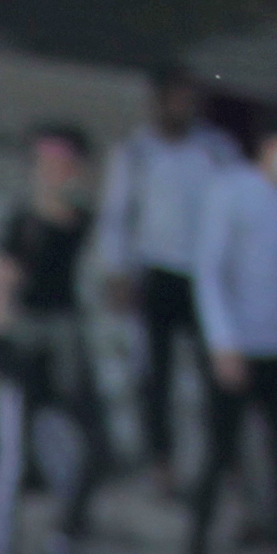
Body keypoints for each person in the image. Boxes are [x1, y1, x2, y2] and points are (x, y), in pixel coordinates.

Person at [188, 110, 277, 554]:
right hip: (237, 347)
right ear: (267, 148)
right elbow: (210, 272)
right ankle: (197, 551)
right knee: (220, 452)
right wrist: (223, 343)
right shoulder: (231, 192)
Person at [97, 65, 234, 486]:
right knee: (154, 372)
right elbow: (117, 216)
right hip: (155, 271)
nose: (185, 106)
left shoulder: (216, 149)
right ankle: (161, 460)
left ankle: (222, 461)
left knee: (215, 370)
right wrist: (116, 271)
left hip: (204, 275)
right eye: (176, 97)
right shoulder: (135, 152)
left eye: (190, 98)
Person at [0, 122, 98, 554]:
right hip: (25, 346)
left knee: (84, 445)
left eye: (65, 165)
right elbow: (0, 284)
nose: (56, 173)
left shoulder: (87, 224)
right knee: (13, 455)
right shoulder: (22, 222)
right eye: (48, 164)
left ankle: (63, 539)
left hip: (66, 348)